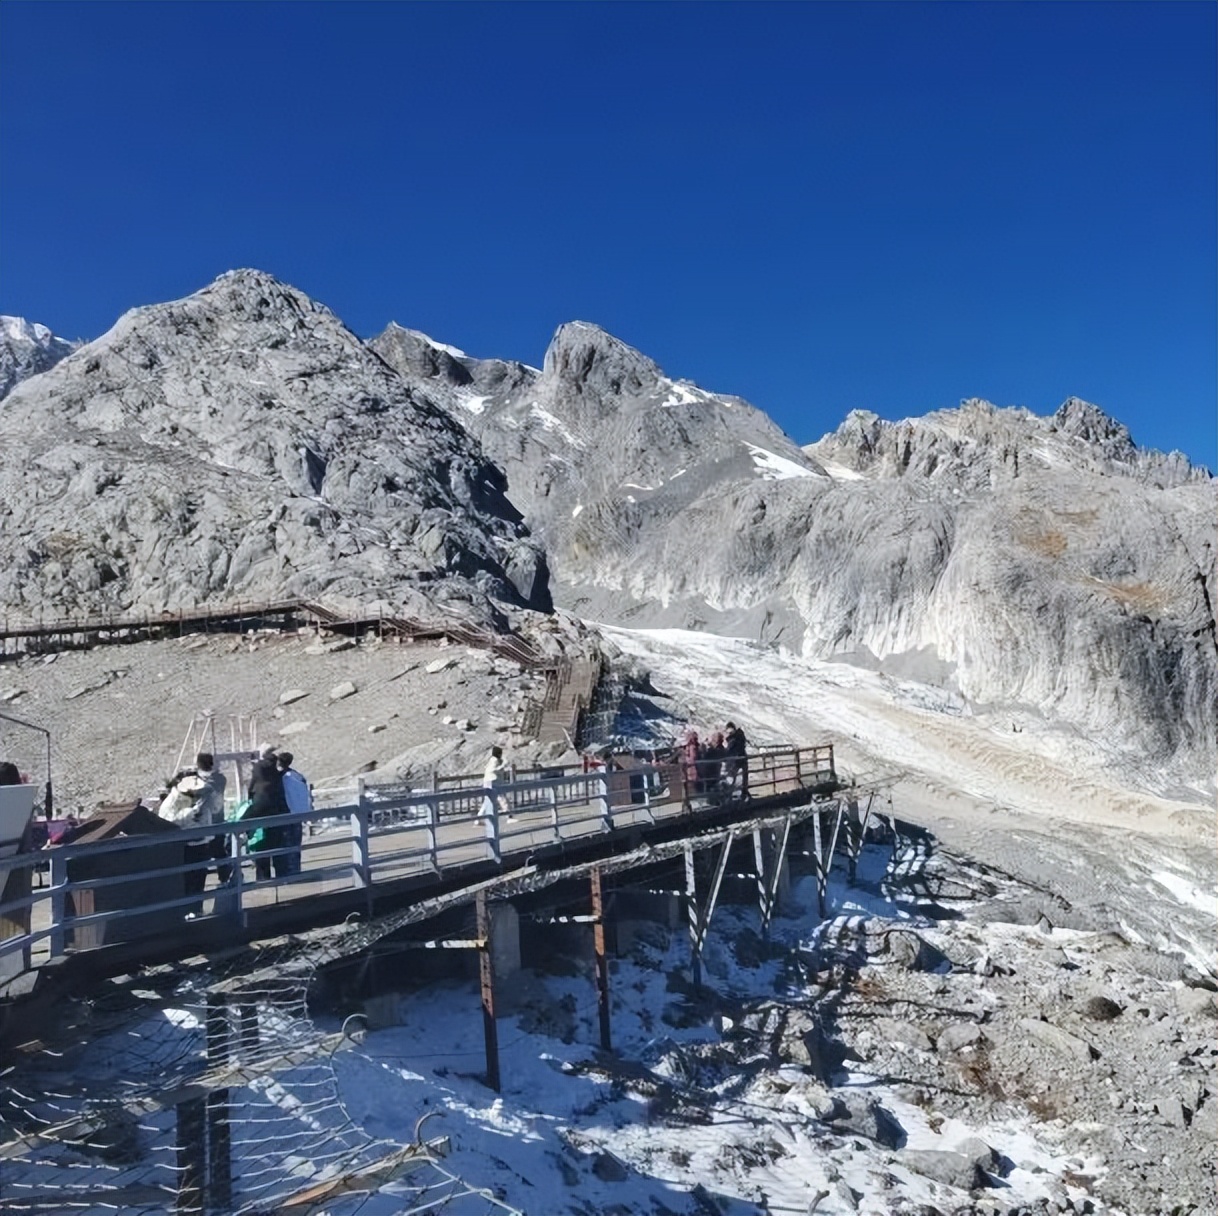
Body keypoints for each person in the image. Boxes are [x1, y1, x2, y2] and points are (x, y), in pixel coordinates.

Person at [241, 746, 290, 881]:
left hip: (260, 809)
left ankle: (263, 877)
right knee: (278, 844)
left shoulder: (258, 769)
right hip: (276, 810)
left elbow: (251, 788)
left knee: (261, 844)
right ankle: (282, 875)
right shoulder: (277, 771)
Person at [276, 751, 311, 877]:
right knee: (296, 844)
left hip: (285, 815)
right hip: (298, 815)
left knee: (285, 845)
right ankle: (296, 870)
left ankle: (287, 872)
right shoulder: (297, 776)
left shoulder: (281, 778)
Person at [481, 745, 510, 824]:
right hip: (493, 781)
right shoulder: (495, 760)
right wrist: (504, 765)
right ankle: (508, 816)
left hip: (487, 780)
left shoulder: (491, 760)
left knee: (487, 800)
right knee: (502, 798)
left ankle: (479, 818)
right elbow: (493, 770)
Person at [724, 721, 749, 799]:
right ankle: (744, 792)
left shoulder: (734, 738)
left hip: (736, 760)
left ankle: (730, 794)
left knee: (731, 777)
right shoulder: (740, 736)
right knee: (744, 776)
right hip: (742, 758)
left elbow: (729, 750)